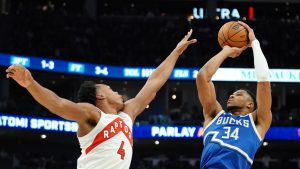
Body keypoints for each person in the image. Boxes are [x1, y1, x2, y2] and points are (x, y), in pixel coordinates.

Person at [6, 30, 197, 169]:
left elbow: (154, 81)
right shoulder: (93, 115)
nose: (118, 93)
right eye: (112, 89)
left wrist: (176, 52)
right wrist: (30, 83)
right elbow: (58, 104)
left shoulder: (127, 114)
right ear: (100, 95)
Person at [196, 21, 272, 169]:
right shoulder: (214, 115)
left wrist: (255, 43)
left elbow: (264, 81)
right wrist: (227, 50)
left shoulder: (258, 121)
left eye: (239, 94)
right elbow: (202, 77)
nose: (231, 95)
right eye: (233, 93)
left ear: (250, 104)